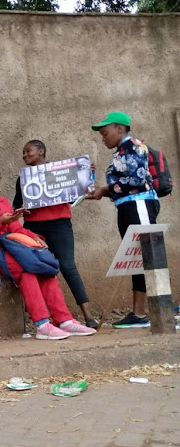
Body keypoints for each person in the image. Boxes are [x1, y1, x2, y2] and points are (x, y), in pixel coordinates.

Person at [0, 162, 96, 340]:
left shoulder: (3, 202)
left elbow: (15, 227)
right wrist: (0, 223)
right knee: (26, 270)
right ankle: (42, 324)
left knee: (44, 267)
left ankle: (64, 320)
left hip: (9, 243)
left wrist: (33, 237)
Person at [86, 111, 159, 328]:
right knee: (138, 256)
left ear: (120, 128)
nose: (103, 138)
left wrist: (105, 189)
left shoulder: (133, 146)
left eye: (105, 133)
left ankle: (156, 310)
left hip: (139, 204)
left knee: (150, 256)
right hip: (128, 206)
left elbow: (136, 180)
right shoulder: (122, 150)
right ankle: (138, 313)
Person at [13, 140, 96, 328]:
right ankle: (45, 319)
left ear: (41, 151)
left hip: (60, 224)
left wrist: (84, 175)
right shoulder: (23, 178)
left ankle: (88, 315)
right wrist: (20, 210)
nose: (24, 155)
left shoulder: (60, 171)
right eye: (23, 152)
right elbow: (16, 204)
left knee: (67, 266)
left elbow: (75, 195)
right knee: (37, 267)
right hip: (33, 227)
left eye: (28, 151)